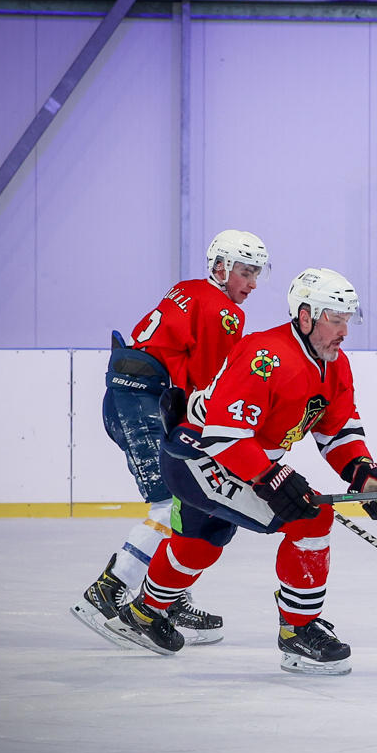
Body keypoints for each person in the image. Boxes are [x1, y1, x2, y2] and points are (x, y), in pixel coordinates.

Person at [104, 267, 377, 675]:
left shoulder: (335, 365)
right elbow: (225, 435)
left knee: (201, 542)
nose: (344, 331)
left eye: (347, 321)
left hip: (226, 458)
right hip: (199, 456)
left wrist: (363, 473)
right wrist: (270, 478)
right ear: (305, 317)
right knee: (311, 519)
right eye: (335, 320)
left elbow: (337, 431)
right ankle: (298, 631)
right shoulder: (265, 356)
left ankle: (144, 613)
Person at [73, 229, 270, 646]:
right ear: (221, 268)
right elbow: (210, 385)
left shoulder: (188, 289)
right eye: (245, 272)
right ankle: (108, 590)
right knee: (173, 502)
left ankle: (169, 597)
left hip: (130, 396)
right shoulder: (225, 312)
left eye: (257, 273)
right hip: (144, 400)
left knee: (186, 501)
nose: (252, 283)